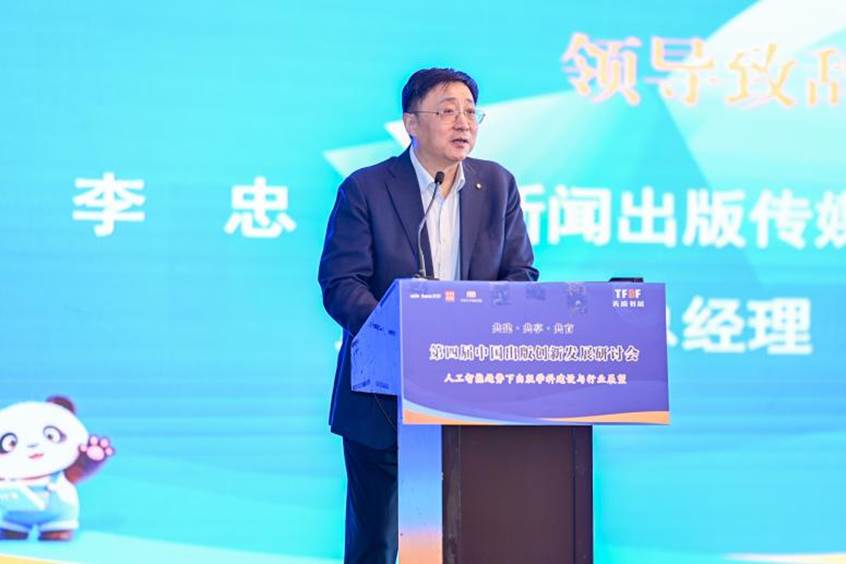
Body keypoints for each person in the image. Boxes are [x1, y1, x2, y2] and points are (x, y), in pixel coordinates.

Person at [318, 67, 538, 563]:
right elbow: (341, 283)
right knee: (377, 544)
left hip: (472, 395)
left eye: (470, 112)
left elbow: (520, 273)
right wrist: (402, 336)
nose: (463, 122)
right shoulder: (366, 189)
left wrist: (480, 334)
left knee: (470, 539)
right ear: (411, 123)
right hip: (382, 400)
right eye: (447, 111)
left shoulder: (497, 185)